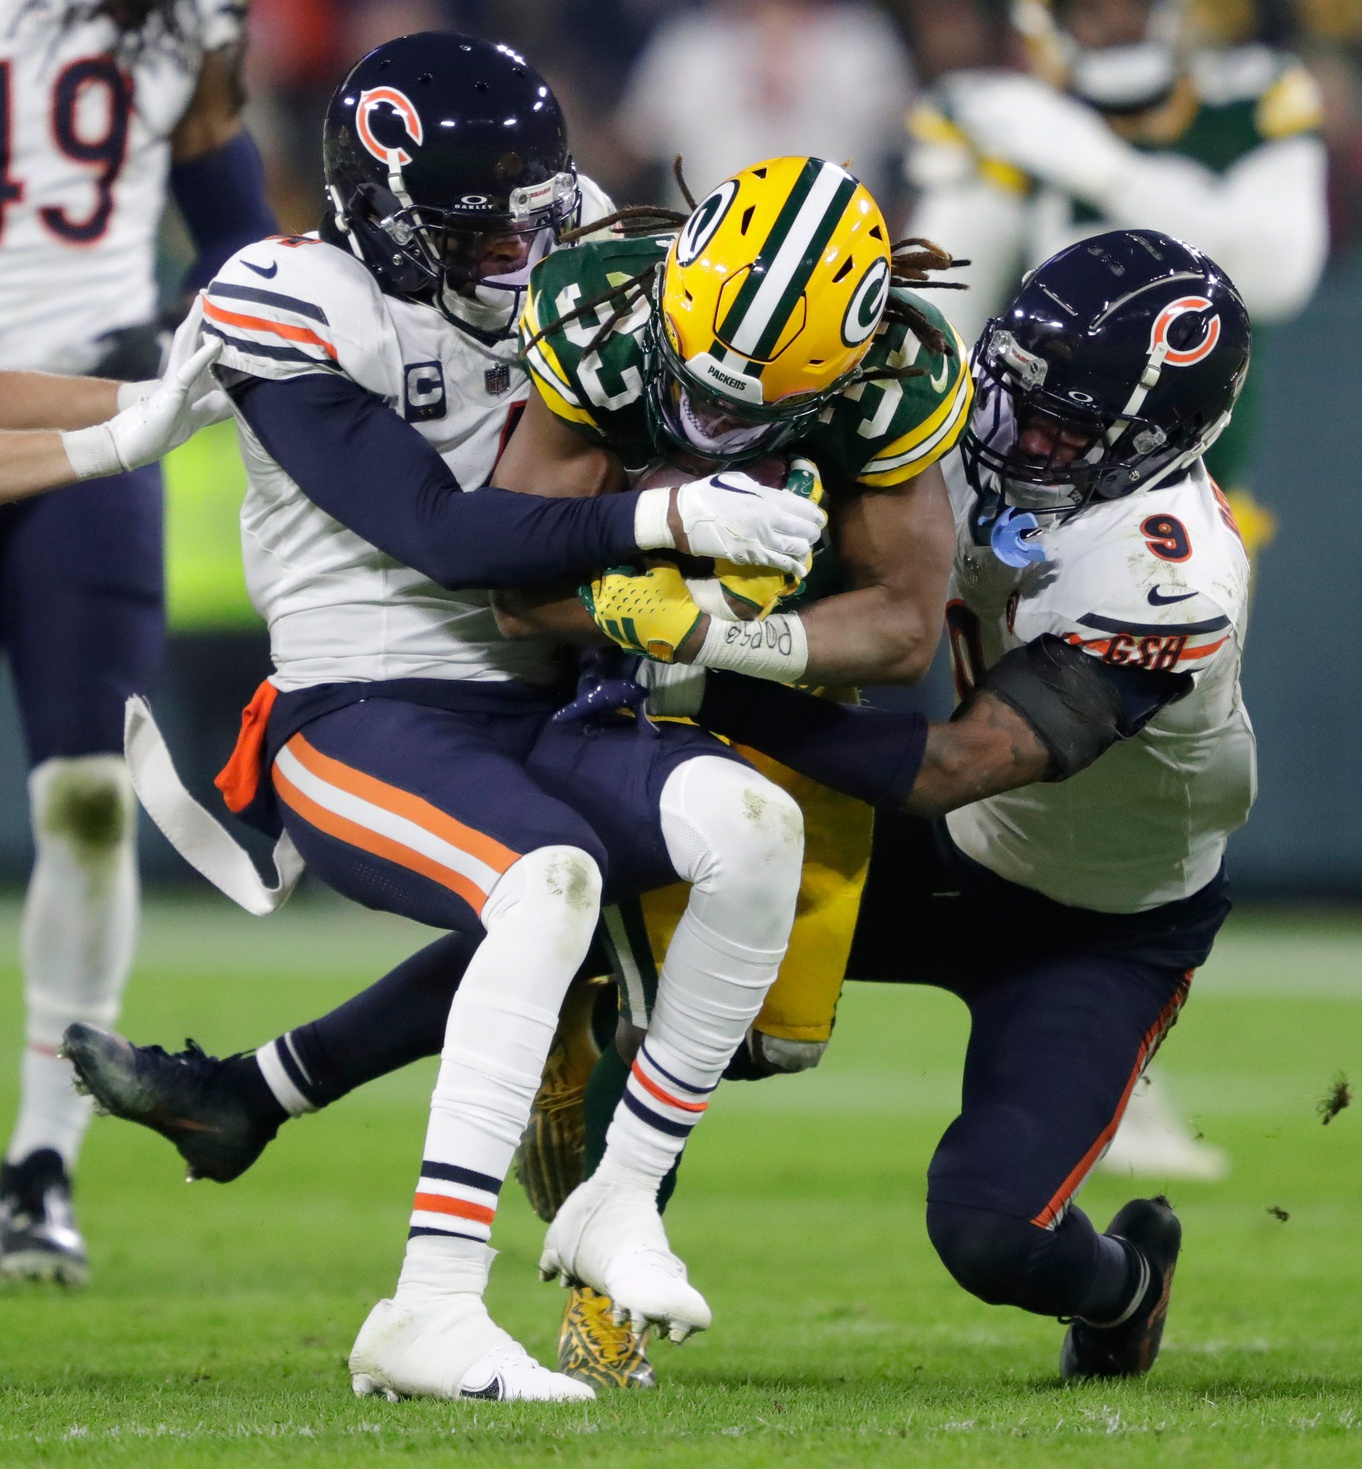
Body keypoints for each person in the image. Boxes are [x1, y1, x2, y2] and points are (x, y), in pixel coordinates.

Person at [68, 227, 1256, 1384]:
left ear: (1160, 443)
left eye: (1059, 427)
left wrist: (713, 668)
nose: (1011, 435)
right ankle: (277, 1112)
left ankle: (1124, 1287)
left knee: (991, 1231)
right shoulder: (918, 401)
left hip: (1093, 921)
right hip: (925, 846)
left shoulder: (1171, 568)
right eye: (1008, 391)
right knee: (621, 919)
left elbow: (958, 757)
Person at [68, 33, 824, 1402]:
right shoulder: (291, 300)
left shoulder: (578, 245)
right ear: (382, 216)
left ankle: (619, 1196)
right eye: (484, 231)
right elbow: (441, 534)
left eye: (540, 214)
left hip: (548, 701)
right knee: (545, 885)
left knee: (753, 827)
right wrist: (667, 513)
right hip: (360, 710)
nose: (528, 253)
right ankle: (426, 1305)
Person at [904, 0, 1325, 1178]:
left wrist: (1078, 153)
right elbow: (943, 303)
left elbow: (1277, 268)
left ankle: (1109, 1048)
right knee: (1006, 745)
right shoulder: (991, 114)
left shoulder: (1254, 97)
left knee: (1146, 775)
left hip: (1176, 510)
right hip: (1018, 483)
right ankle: (1079, 1048)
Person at [0, 0, 278, 1282]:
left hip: (84, 405)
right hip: (80, 408)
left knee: (88, 796)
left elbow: (235, 243)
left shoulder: (180, 22)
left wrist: (215, 353)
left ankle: (39, 1163)